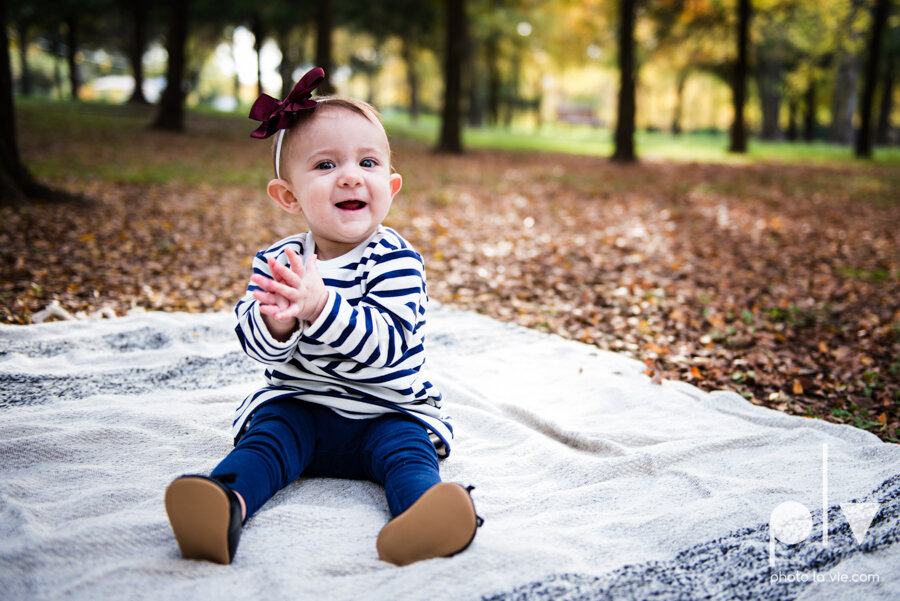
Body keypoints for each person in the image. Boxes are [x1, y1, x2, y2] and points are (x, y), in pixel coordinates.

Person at [164, 68, 481, 567]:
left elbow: (391, 347)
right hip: (302, 406)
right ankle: (224, 505)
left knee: (409, 455)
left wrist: (322, 308)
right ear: (288, 196)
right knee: (266, 439)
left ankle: (423, 517)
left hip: (387, 410)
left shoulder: (395, 259)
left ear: (391, 185)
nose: (351, 175)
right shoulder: (280, 262)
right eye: (327, 164)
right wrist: (279, 323)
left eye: (368, 162)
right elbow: (256, 347)